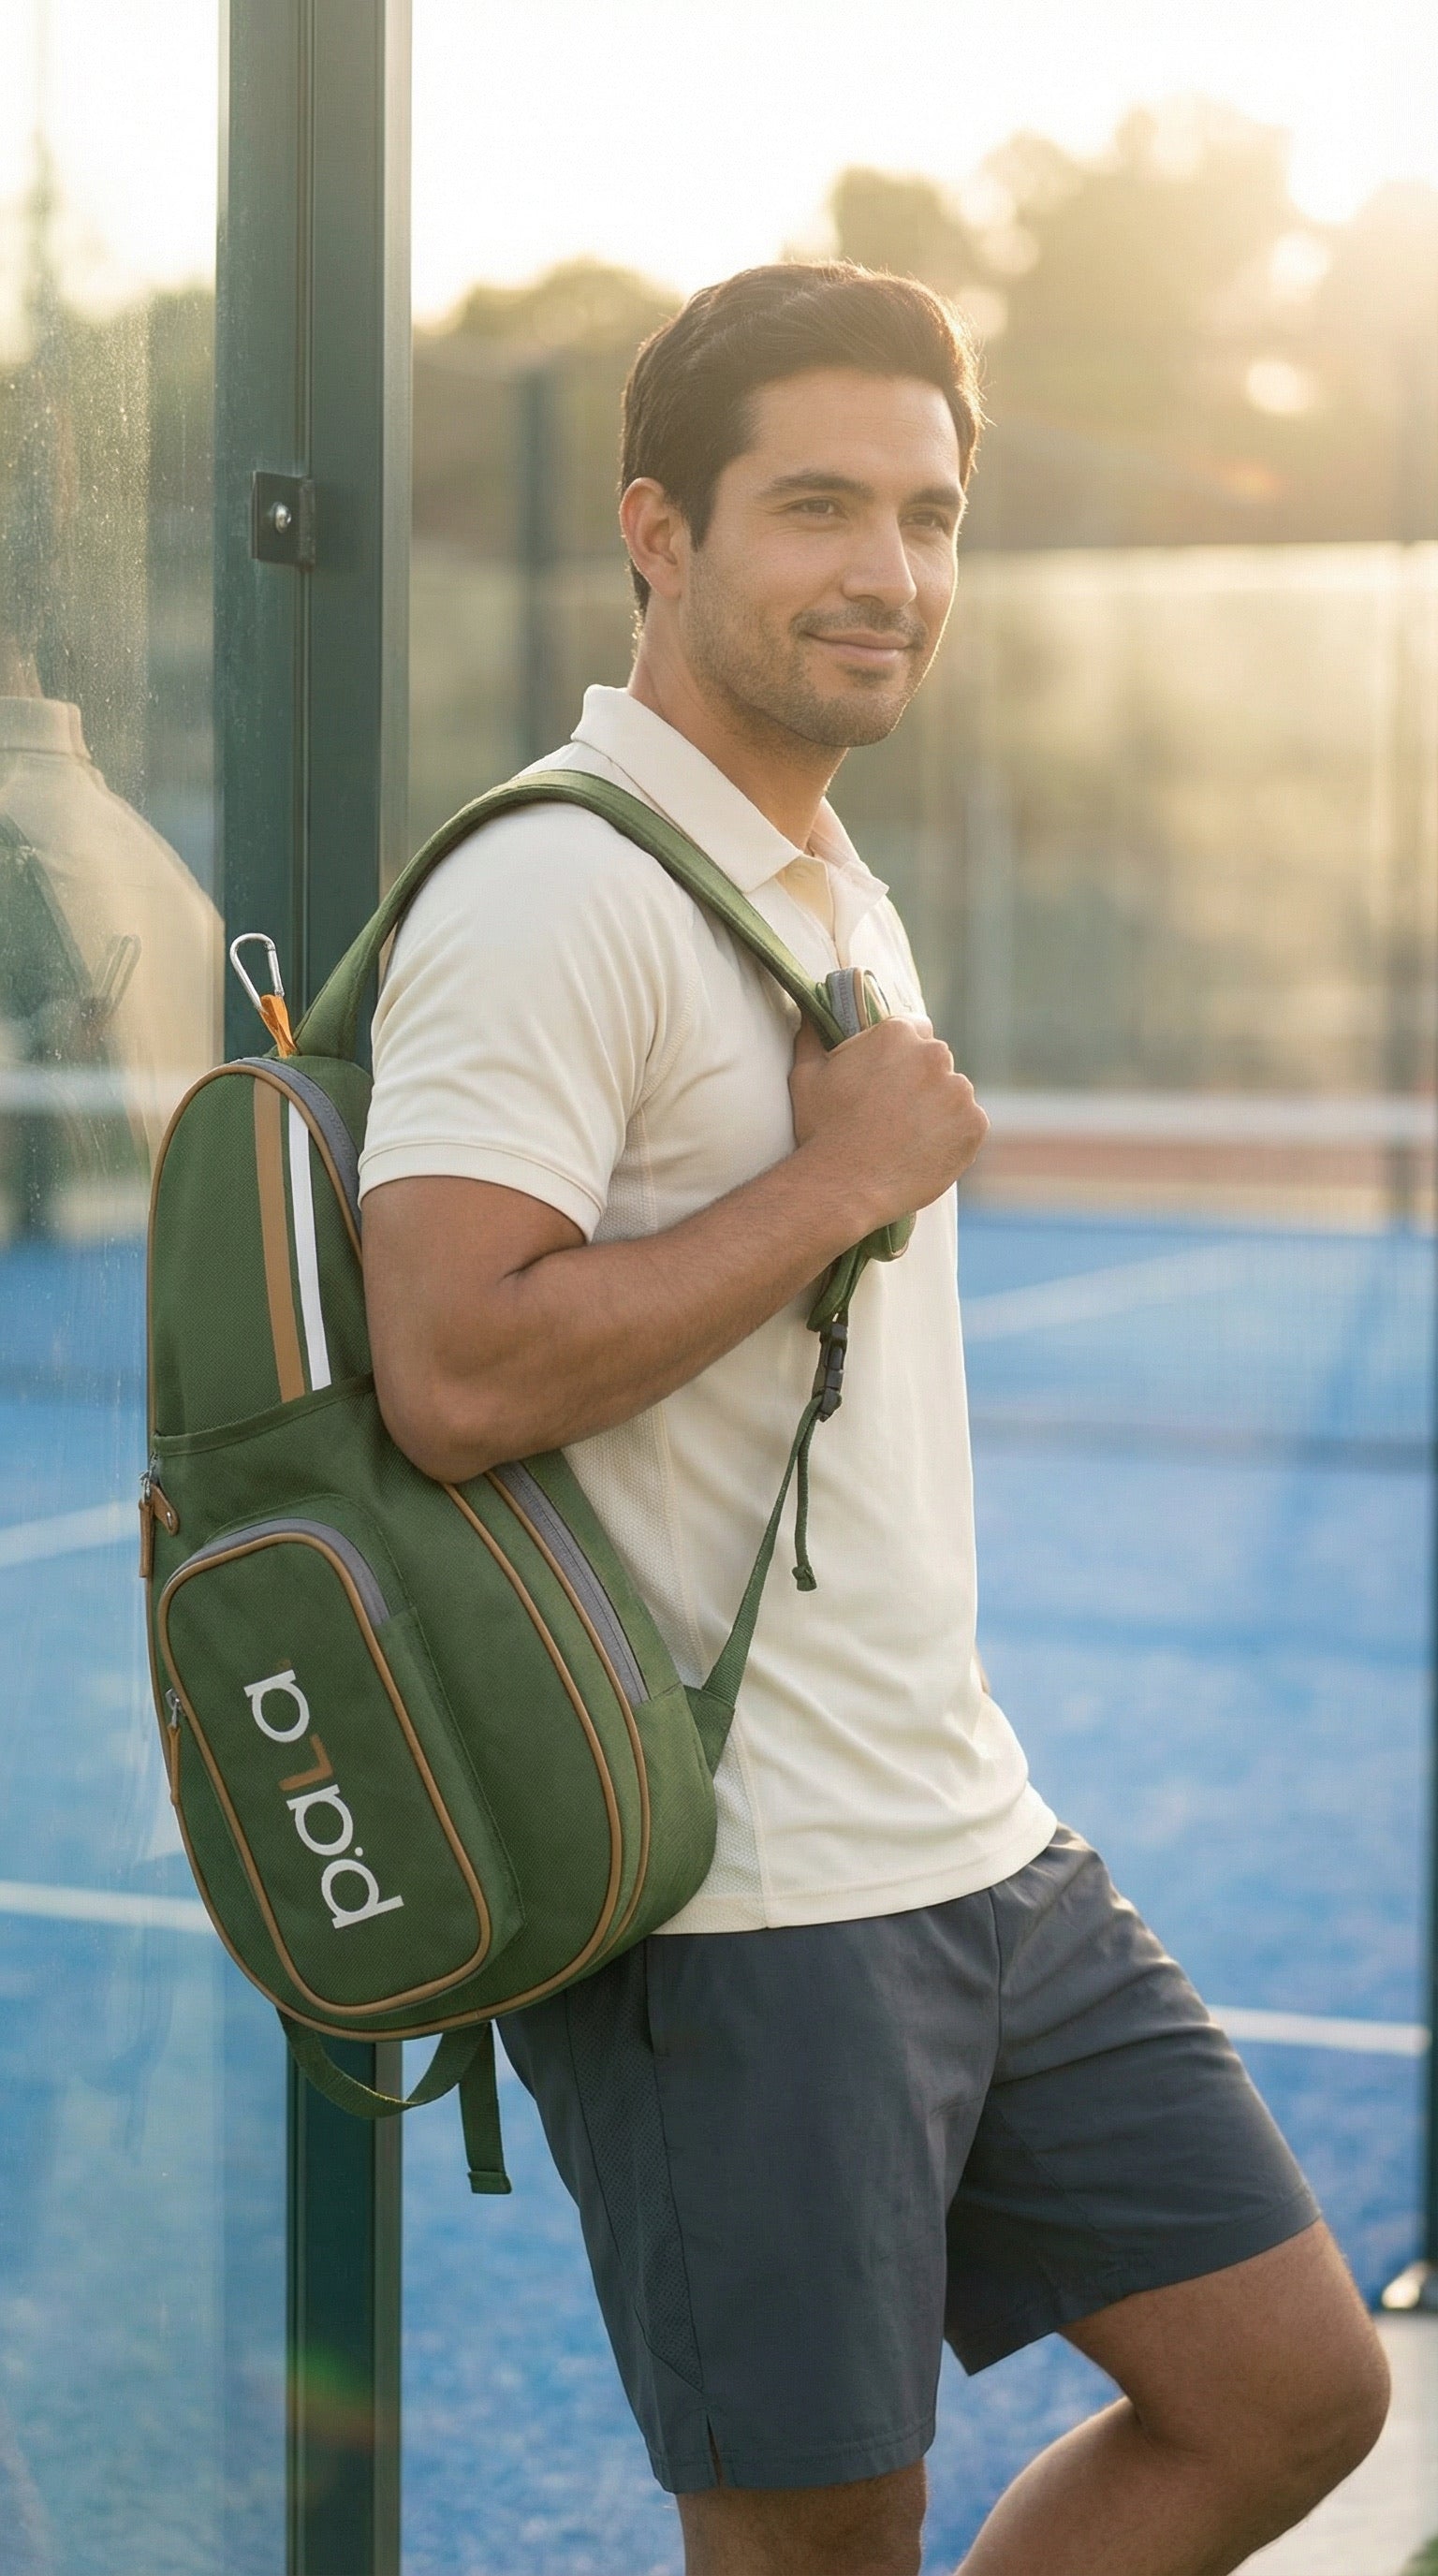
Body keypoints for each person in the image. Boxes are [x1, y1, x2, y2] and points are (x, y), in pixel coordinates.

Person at [360, 264, 1388, 2576]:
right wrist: (845, 1180)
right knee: (821, 2539)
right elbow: (451, 1369)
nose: (888, 572)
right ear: (657, 529)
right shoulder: (556, 892)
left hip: (974, 1843)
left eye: (927, 515)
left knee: (1293, 2389)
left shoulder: (814, 872)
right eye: (815, 505)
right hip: (731, 1907)